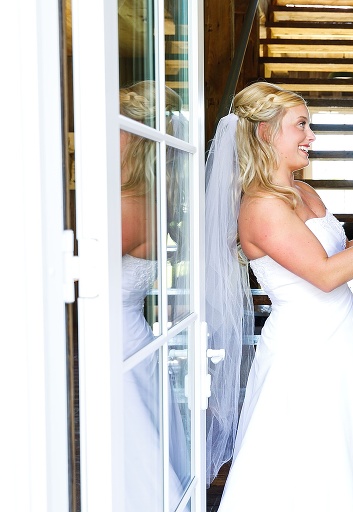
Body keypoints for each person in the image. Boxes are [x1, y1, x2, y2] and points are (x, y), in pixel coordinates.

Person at [204, 81, 353, 511]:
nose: (311, 136)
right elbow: (325, 275)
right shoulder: (261, 206)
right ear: (266, 133)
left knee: (350, 452)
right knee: (306, 461)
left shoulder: (303, 191)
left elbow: (338, 256)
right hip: (304, 350)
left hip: (341, 337)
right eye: (301, 125)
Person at [119, 81, 188, 512]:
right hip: (130, 335)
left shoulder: (128, 204)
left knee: (130, 444)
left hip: (118, 342)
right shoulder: (144, 195)